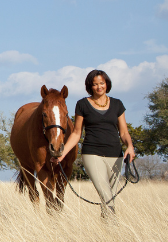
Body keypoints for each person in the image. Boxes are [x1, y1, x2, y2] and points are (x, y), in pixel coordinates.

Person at [53, 69, 135, 218]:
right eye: (95, 84)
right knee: (106, 194)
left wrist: (130, 146)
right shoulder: (82, 104)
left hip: (115, 155)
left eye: (102, 83)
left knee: (109, 197)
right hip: (92, 153)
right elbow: (77, 133)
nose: (99, 87)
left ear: (107, 84)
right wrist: (62, 154)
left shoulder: (117, 104)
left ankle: (106, 232)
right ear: (90, 86)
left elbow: (123, 132)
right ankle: (114, 224)